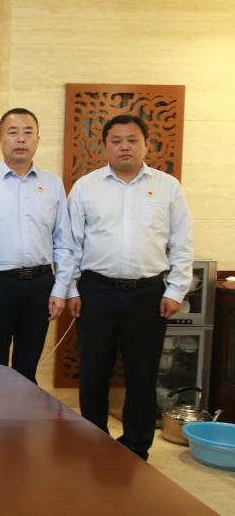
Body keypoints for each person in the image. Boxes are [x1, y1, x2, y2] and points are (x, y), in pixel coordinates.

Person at [66, 114, 193, 460]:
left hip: (148, 295)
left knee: (142, 374)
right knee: (93, 372)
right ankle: (94, 442)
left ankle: (137, 450)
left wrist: (175, 290)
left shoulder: (168, 187)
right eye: (117, 140)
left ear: (146, 145)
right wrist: (71, 289)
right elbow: (70, 244)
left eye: (132, 140)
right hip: (96, 292)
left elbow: (182, 242)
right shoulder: (86, 187)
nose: (124, 146)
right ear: (105, 146)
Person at [0, 108, 74, 383]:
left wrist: (60, 288)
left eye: (28, 132)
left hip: (39, 285)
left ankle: (24, 412)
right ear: (0, 139)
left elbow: (63, 242)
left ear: (38, 139)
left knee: (28, 366)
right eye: (13, 133)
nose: (20, 139)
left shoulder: (52, 184)